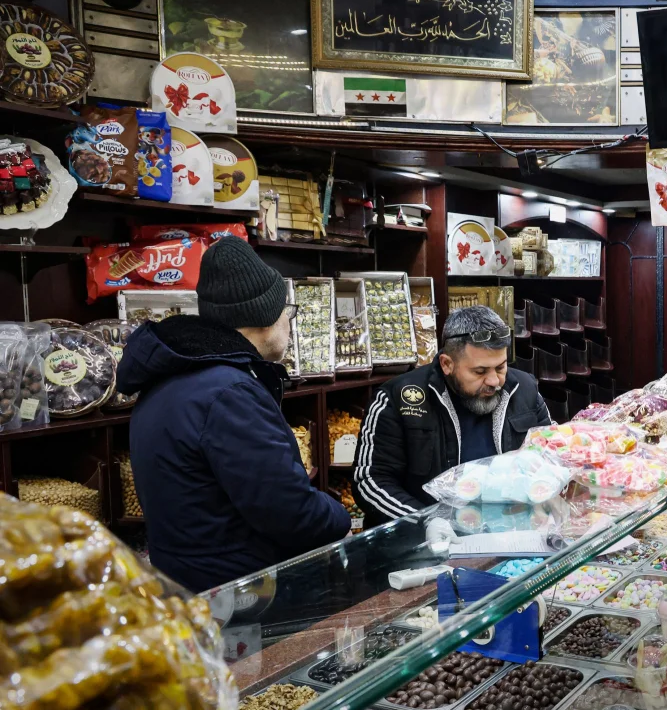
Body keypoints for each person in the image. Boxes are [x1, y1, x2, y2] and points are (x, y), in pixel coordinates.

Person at [118, 237, 351, 593]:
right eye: (287, 311)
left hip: (191, 585)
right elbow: (288, 511)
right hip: (241, 598)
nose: (289, 322)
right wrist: (340, 517)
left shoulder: (174, 376)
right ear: (265, 317)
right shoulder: (229, 394)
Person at [353, 305, 553, 526]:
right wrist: (426, 521)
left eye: (501, 367)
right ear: (447, 364)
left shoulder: (525, 390)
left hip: (512, 531)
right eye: (480, 372)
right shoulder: (398, 398)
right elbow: (370, 481)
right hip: (425, 539)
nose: (494, 381)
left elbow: (552, 457)